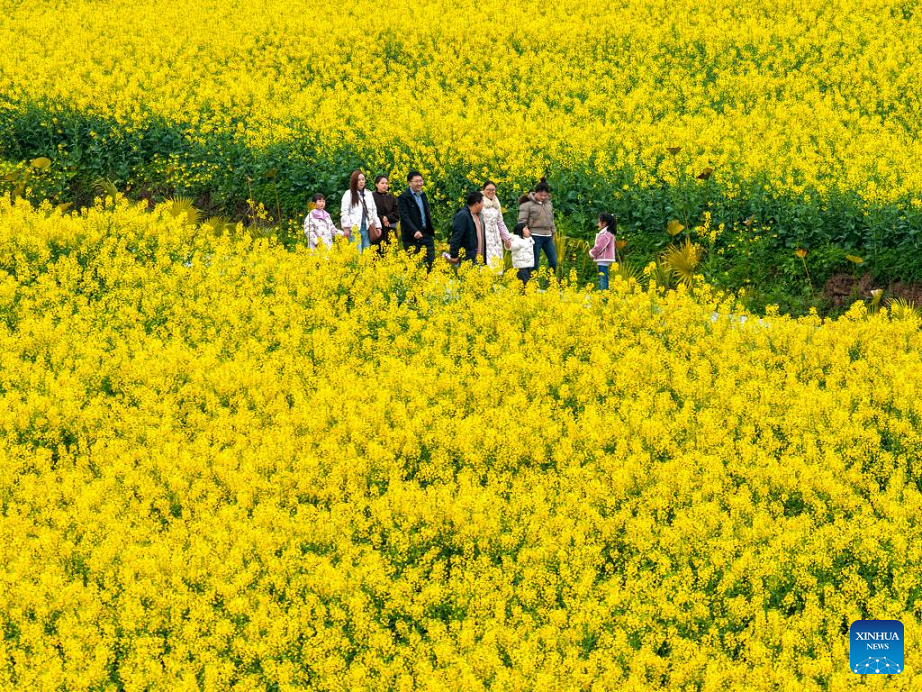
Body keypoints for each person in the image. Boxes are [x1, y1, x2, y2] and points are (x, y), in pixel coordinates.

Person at [517, 178, 557, 274]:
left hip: (547, 236)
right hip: (534, 236)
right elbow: (522, 221)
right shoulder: (527, 204)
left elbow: (551, 219)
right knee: (534, 264)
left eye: (545, 195)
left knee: (553, 261)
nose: (543, 197)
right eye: (541, 195)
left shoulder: (548, 204)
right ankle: (531, 284)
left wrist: (553, 231)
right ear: (535, 192)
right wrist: (525, 233)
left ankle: (551, 282)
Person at [397, 171, 435, 268]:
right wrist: (415, 231)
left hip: (426, 233)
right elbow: (405, 217)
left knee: (430, 262)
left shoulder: (423, 195)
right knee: (414, 267)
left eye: (421, 181)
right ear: (409, 183)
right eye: (416, 181)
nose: (419, 183)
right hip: (412, 236)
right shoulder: (403, 197)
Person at [340, 170, 379, 254]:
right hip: (354, 229)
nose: (361, 182)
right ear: (354, 181)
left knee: (366, 254)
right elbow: (344, 212)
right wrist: (346, 228)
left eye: (363, 179)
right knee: (357, 254)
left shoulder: (368, 193)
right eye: (358, 180)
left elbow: (373, 211)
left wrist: (378, 226)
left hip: (366, 227)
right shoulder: (348, 194)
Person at [480, 181, 512, 269]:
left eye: (493, 190)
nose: (491, 192)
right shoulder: (479, 201)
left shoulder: (496, 203)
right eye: (488, 190)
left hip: (495, 236)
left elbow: (500, 222)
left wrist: (506, 238)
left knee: (495, 261)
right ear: (483, 190)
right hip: (483, 235)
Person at [449, 191, 486, 264]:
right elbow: (456, 236)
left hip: (477, 258)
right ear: (477, 204)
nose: (483, 204)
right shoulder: (463, 215)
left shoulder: (478, 215)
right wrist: (454, 255)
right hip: (468, 257)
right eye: (482, 202)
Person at [588, 213, 617, 290]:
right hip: (605, 259)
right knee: (604, 277)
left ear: (604, 223)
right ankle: (605, 296)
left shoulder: (605, 233)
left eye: (599, 222)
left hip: (603, 258)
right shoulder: (608, 232)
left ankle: (603, 296)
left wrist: (592, 253)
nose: (598, 224)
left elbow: (599, 246)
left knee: (602, 278)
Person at [371, 174, 399, 252]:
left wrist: (387, 218)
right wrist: (382, 218)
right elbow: (371, 212)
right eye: (382, 183)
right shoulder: (371, 196)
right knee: (377, 253)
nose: (385, 185)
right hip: (378, 230)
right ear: (376, 184)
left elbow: (397, 213)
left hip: (390, 229)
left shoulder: (392, 197)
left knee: (391, 253)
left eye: (386, 183)